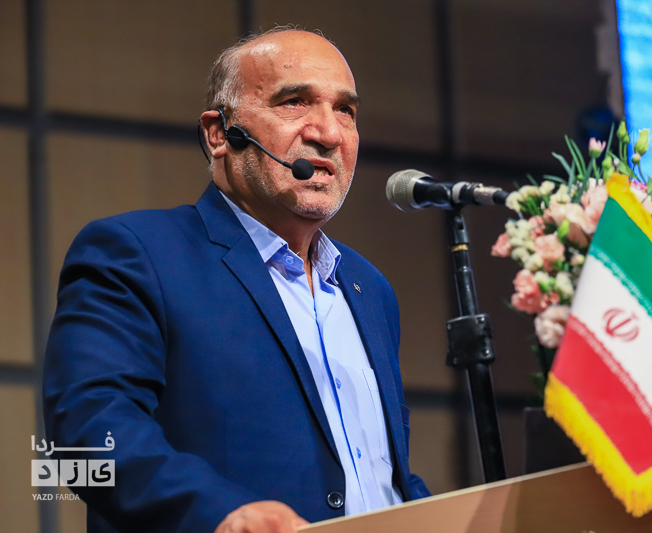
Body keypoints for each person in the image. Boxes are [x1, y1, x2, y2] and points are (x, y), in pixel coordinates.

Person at [43, 28, 429, 533]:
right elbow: (86, 437)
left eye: (345, 111)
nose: (329, 134)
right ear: (219, 134)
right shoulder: (138, 253)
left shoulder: (369, 288)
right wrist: (219, 512)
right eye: (295, 102)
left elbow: (382, 476)